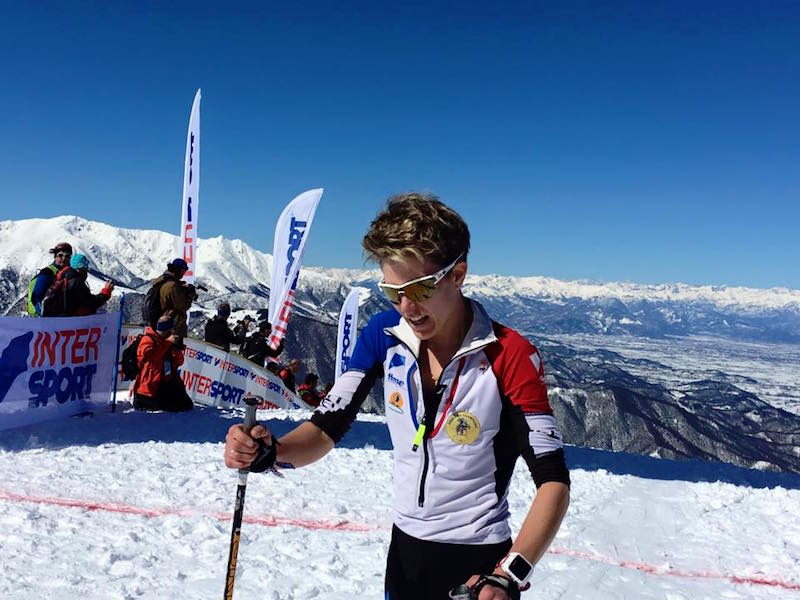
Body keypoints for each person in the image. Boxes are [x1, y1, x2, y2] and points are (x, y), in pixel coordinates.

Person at [224, 192, 570, 600]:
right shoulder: (382, 335)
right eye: (392, 291)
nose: (406, 307)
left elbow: (553, 482)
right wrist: (269, 451)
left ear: (458, 275)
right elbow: (325, 428)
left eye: (420, 288)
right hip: (404, 555)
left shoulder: (510, 354)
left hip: (480, 566)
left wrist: (509, 574)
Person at [133, 311, 193, 412]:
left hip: (165, 382)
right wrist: (167, 343)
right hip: (149, 388)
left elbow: (179, 362)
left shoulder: (166, 342)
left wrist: (176, 349)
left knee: (186, 405)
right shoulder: (148, 340)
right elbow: (151, 357)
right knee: (173, 407)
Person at [148, 258, 196, 338]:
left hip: (162, 324)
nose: (183, 274)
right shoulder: (172, 286)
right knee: (172, 349)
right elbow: (183, 306)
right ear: (179, 270)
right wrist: (190, 295)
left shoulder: (163, 280)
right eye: (183, 271)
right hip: (172, 328)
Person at [27, 242, 72, 316]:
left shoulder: (67, 272)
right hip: (43, 319)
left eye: (67, 256)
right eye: (60, 255)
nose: (64, 258)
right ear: (55, 256)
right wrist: (44, 315)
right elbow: (36, 297)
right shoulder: (47, 272)